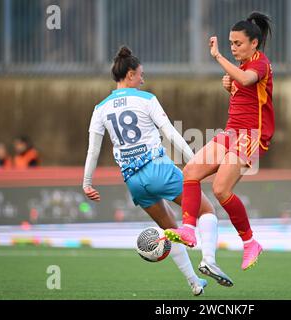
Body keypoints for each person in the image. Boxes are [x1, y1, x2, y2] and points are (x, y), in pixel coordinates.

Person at [82, 46, 233, 296]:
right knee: (207, 209)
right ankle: (208, 260)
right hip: (158, 169)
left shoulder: (100, 109)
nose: (143, 79)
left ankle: (194, 282)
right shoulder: (147, 99)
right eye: (141, 74)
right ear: (130, 74)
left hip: (133, 181)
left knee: (170, 230)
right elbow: (171, 134)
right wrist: (195, 162)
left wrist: (87, 183)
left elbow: (93, 150)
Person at [165, 12, 275, 271]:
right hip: (231, 132)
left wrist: (219, 58)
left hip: (250, 136)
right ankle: (189, 230)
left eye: (238, 43)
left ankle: (250, 242)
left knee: (220, 189)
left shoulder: (260, 63)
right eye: (231, 43)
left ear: (254, 44)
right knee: (190, 171)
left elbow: (248, 80)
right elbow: (244, 92)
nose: (234, 48)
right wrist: (230, 86)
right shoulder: (241, 67)